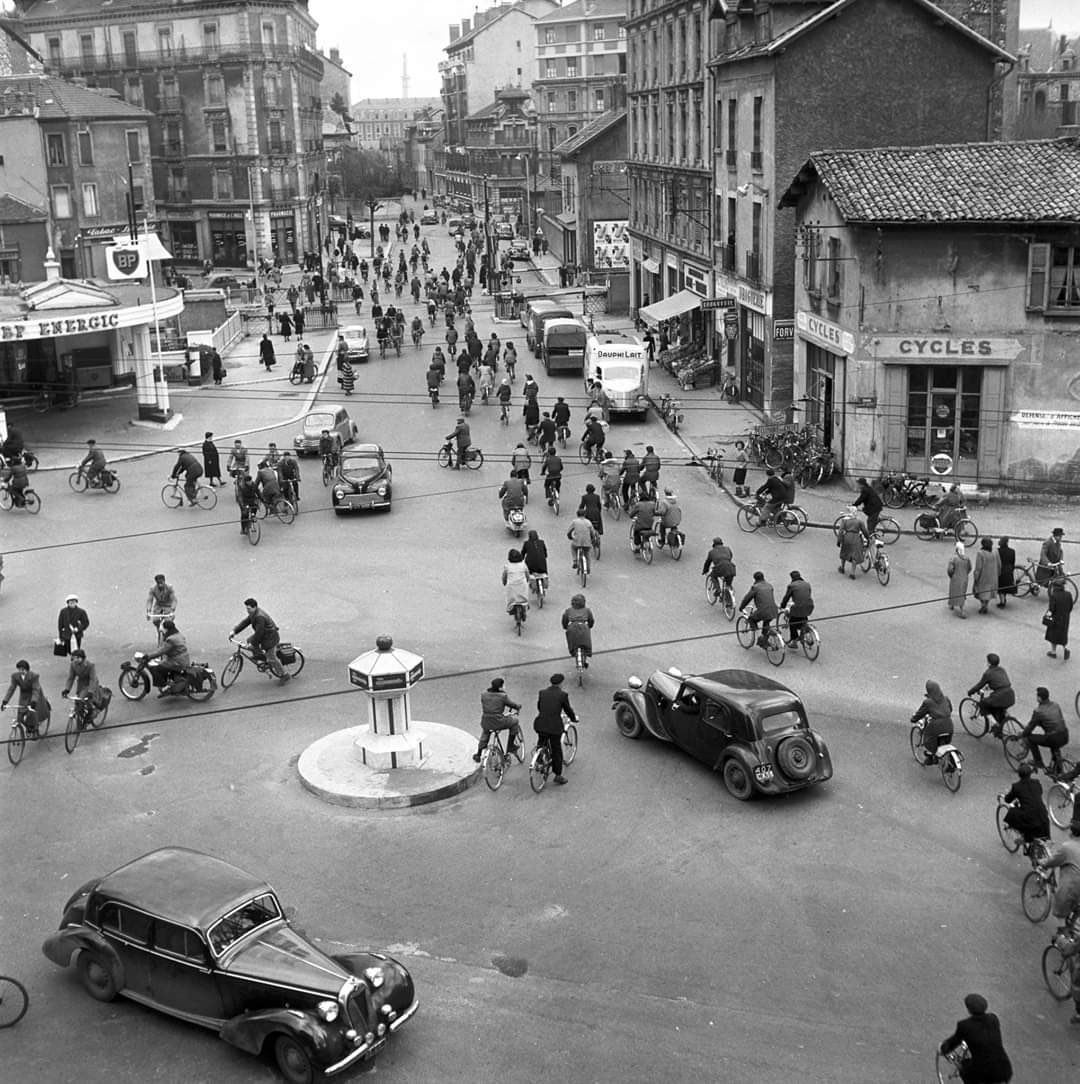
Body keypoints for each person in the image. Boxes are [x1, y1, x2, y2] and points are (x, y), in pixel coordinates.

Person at [938, 994, 1013, 1083]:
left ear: (969, 1009)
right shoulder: (993, 1019)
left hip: (984, 1073)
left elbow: (953, 1043)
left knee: (964, 1069)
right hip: (1004, 1069)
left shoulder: (965, 1026)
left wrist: (942, 1048)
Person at [1037, 819, 1080, 935]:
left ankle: (1062, 936)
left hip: (1073, 887)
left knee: (1061, 908)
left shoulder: (1068, 847)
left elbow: (1053, 861)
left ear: (1072, 832)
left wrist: (1042, 862)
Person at [534, 673, 577, 785]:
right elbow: (568, 710)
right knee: (556, 749)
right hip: (554, 727)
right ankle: (558, 775)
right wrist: (573, 718)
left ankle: (538, 757)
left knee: (542, 739)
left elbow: (539, 707)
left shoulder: (542, 693)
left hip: (540, 724)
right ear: (561, 683)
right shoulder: (562, 695)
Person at [232, 598, 287, 681]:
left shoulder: (259, 617)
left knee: (271, 658)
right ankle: (260, 658)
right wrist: (235, 631)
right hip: (264, 635)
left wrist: (253, 644)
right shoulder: (253, 613)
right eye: (246, 608)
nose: (247, 610)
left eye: (249, 608)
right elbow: (245, 622)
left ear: (254, 607)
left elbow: (259, 633)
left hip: (270, 638)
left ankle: (284, 675)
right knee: (250, 640)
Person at [1000, 762, 1051, 846]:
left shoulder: (1016, 786)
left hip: (1029, 817)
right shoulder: (1036, 783)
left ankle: (1025, 837)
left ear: (1019, 775)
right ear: (1030, 773)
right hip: (1043, 815)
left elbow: (1008, 800)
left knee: (1012, 812)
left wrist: (1004, 796)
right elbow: (1038, 793)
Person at [474, 677, 523, 762]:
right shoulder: (502, 696)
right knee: (515, 721)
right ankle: (511, 746)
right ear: (500, 687)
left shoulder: (484, 694)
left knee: (486, 733)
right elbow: (511, 704)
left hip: (486, 721)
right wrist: (518, 706)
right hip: (498, 721)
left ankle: (478, 753)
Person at [1022, 686, 1069, 774]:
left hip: (1053, 738)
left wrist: (1022, 734)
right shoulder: (1056, 705)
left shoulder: (1038, 711)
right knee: (1054, 744)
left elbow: (1030, 727)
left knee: (1030, 739)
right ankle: (1057, 769)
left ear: (1039, 698)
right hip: (1065, 735)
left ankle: (1038, 761)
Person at [140, 619, 191, 697]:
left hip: (177, 662)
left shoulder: (171, 639)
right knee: (163, 664)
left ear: (166, 629)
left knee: (156, 669)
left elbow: (160, 651)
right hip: (184, 660)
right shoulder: (178, 635)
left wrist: (148, 656)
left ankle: (164, 687)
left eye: (163, 628)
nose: (162, 630)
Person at [966, 654, 1015, 735]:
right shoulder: (1002, 670)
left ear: (989, 663)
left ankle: (996, 724)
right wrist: (988, 688)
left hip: (999, 696)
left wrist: (970, 692)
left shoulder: (988, 673)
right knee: (997, 708)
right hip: (1010, 695)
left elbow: (979, 685)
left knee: (983, 704)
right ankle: (1002, 724)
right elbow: (1000, 683)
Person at [910, 679, 954, 764]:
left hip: (936, 726)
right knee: (944, 740)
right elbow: (950, 709)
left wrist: (913, 719)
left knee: (928, 739)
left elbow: (920, 714)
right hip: (949, 724)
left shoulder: (928, 702)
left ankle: (931, 757)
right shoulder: (946, 698)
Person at [1, 659, 49, 737]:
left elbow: (35, 689)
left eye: (22, 669)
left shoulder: (34, 676)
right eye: (19, 669)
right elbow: (11, 688)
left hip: (34, 695)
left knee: (31, 712)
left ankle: (34, 727)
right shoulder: (15, 676)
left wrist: (33, 701)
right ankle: (27, 727)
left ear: (27, 669)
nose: (21, 671)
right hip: (24, 695)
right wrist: (5, 701)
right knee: (20, 714)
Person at [61, 648, 109, 722]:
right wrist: (67, 689)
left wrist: (91, 691)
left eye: (77, 658)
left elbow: (93, 679)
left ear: (82, 658)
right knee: (78, 703)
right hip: (81, 684)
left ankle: (91, 712)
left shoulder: (90, 665)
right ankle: (80, 721)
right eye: (74, 658)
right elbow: (71, 678)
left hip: (90, 684)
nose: (75, 660)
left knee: (83, 698)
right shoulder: (73, 665)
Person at [739, 571, 779, 647]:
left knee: (751, 619)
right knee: (766, 621)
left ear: (755, 579)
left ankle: (758, 635)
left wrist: (742, 607)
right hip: (774, 610)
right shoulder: (769, 585)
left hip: (763, 610)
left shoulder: (755, 587)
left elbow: (747, 598)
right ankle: (764, 638)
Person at [780, 571, 814, 646]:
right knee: (803, 616)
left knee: (792, 622)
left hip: (798, 607)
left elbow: (786, 597)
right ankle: (805, 630)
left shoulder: (792, 586)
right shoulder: (807, 584)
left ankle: (794, 641)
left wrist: (782, 606)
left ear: (792, 578)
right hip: (810, 606)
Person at [1045, 576, 1074, 660]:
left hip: (1055, 619)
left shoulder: (1054, 596)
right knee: (1063, 635)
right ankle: (1065, 648)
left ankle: (1053, 652)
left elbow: (1052, 609)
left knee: (1053, 635)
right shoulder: (1068, 594)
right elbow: (1070, 607)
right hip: (1065, 618)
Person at [562, 593, 595, 666]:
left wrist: (565, 627)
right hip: (584, 627)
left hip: (572, 628)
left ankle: (573, 652)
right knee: (586, 643)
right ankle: (587, 653)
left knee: (572, 641)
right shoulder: (587, 610)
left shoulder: (568, 610)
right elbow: (591, 620)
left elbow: (564, 620)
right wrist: (589, 626)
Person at [972, 537, 999, 615]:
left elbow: (978, 568)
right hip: (993, 576)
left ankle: (983, 605)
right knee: (989, 592)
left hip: (983, 577)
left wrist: (976, 577)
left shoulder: (980, 553)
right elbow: (999, 564)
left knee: (981, 592)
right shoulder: (995, 552)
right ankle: (986, 605)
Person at [502, 548, 530, 622]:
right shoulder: (523, 565)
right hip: (522, 585)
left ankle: (511, 608)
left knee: (511, 598)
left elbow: (504, 576)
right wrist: (527, 580)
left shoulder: (507, 566)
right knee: (524, 597)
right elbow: (527, 574)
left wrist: (504, 582)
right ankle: (525, 607)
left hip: (511, 586)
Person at [837, 511, 865, 580]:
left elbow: (840, 531)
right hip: (856, 538)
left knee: (844, 552)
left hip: (847, 537)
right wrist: (867, 538)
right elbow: (864, 531)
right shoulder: (859, 521)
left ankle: (842, 568)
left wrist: (839, 540)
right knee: (854, 555)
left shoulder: (845, 520)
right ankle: (852, 573)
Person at [947, 541, 972, 618]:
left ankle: (953, 605)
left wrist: (952, 576)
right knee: (962, 593)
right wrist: (965, 574)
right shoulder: (967, 559)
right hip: (964, 578)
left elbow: (950, 570)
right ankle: (959, 608)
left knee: (953, 592)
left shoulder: (953, 558)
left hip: (955, 578)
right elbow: (970, 568)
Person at [996, 536, 1016, 608]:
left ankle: (1002, 601)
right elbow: (1013, 562)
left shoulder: (998, 551)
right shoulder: (1012, 551)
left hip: (1001, 570)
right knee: (1006, 586)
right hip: (1009, 570)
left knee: (1001, 587)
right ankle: (1004, 599)